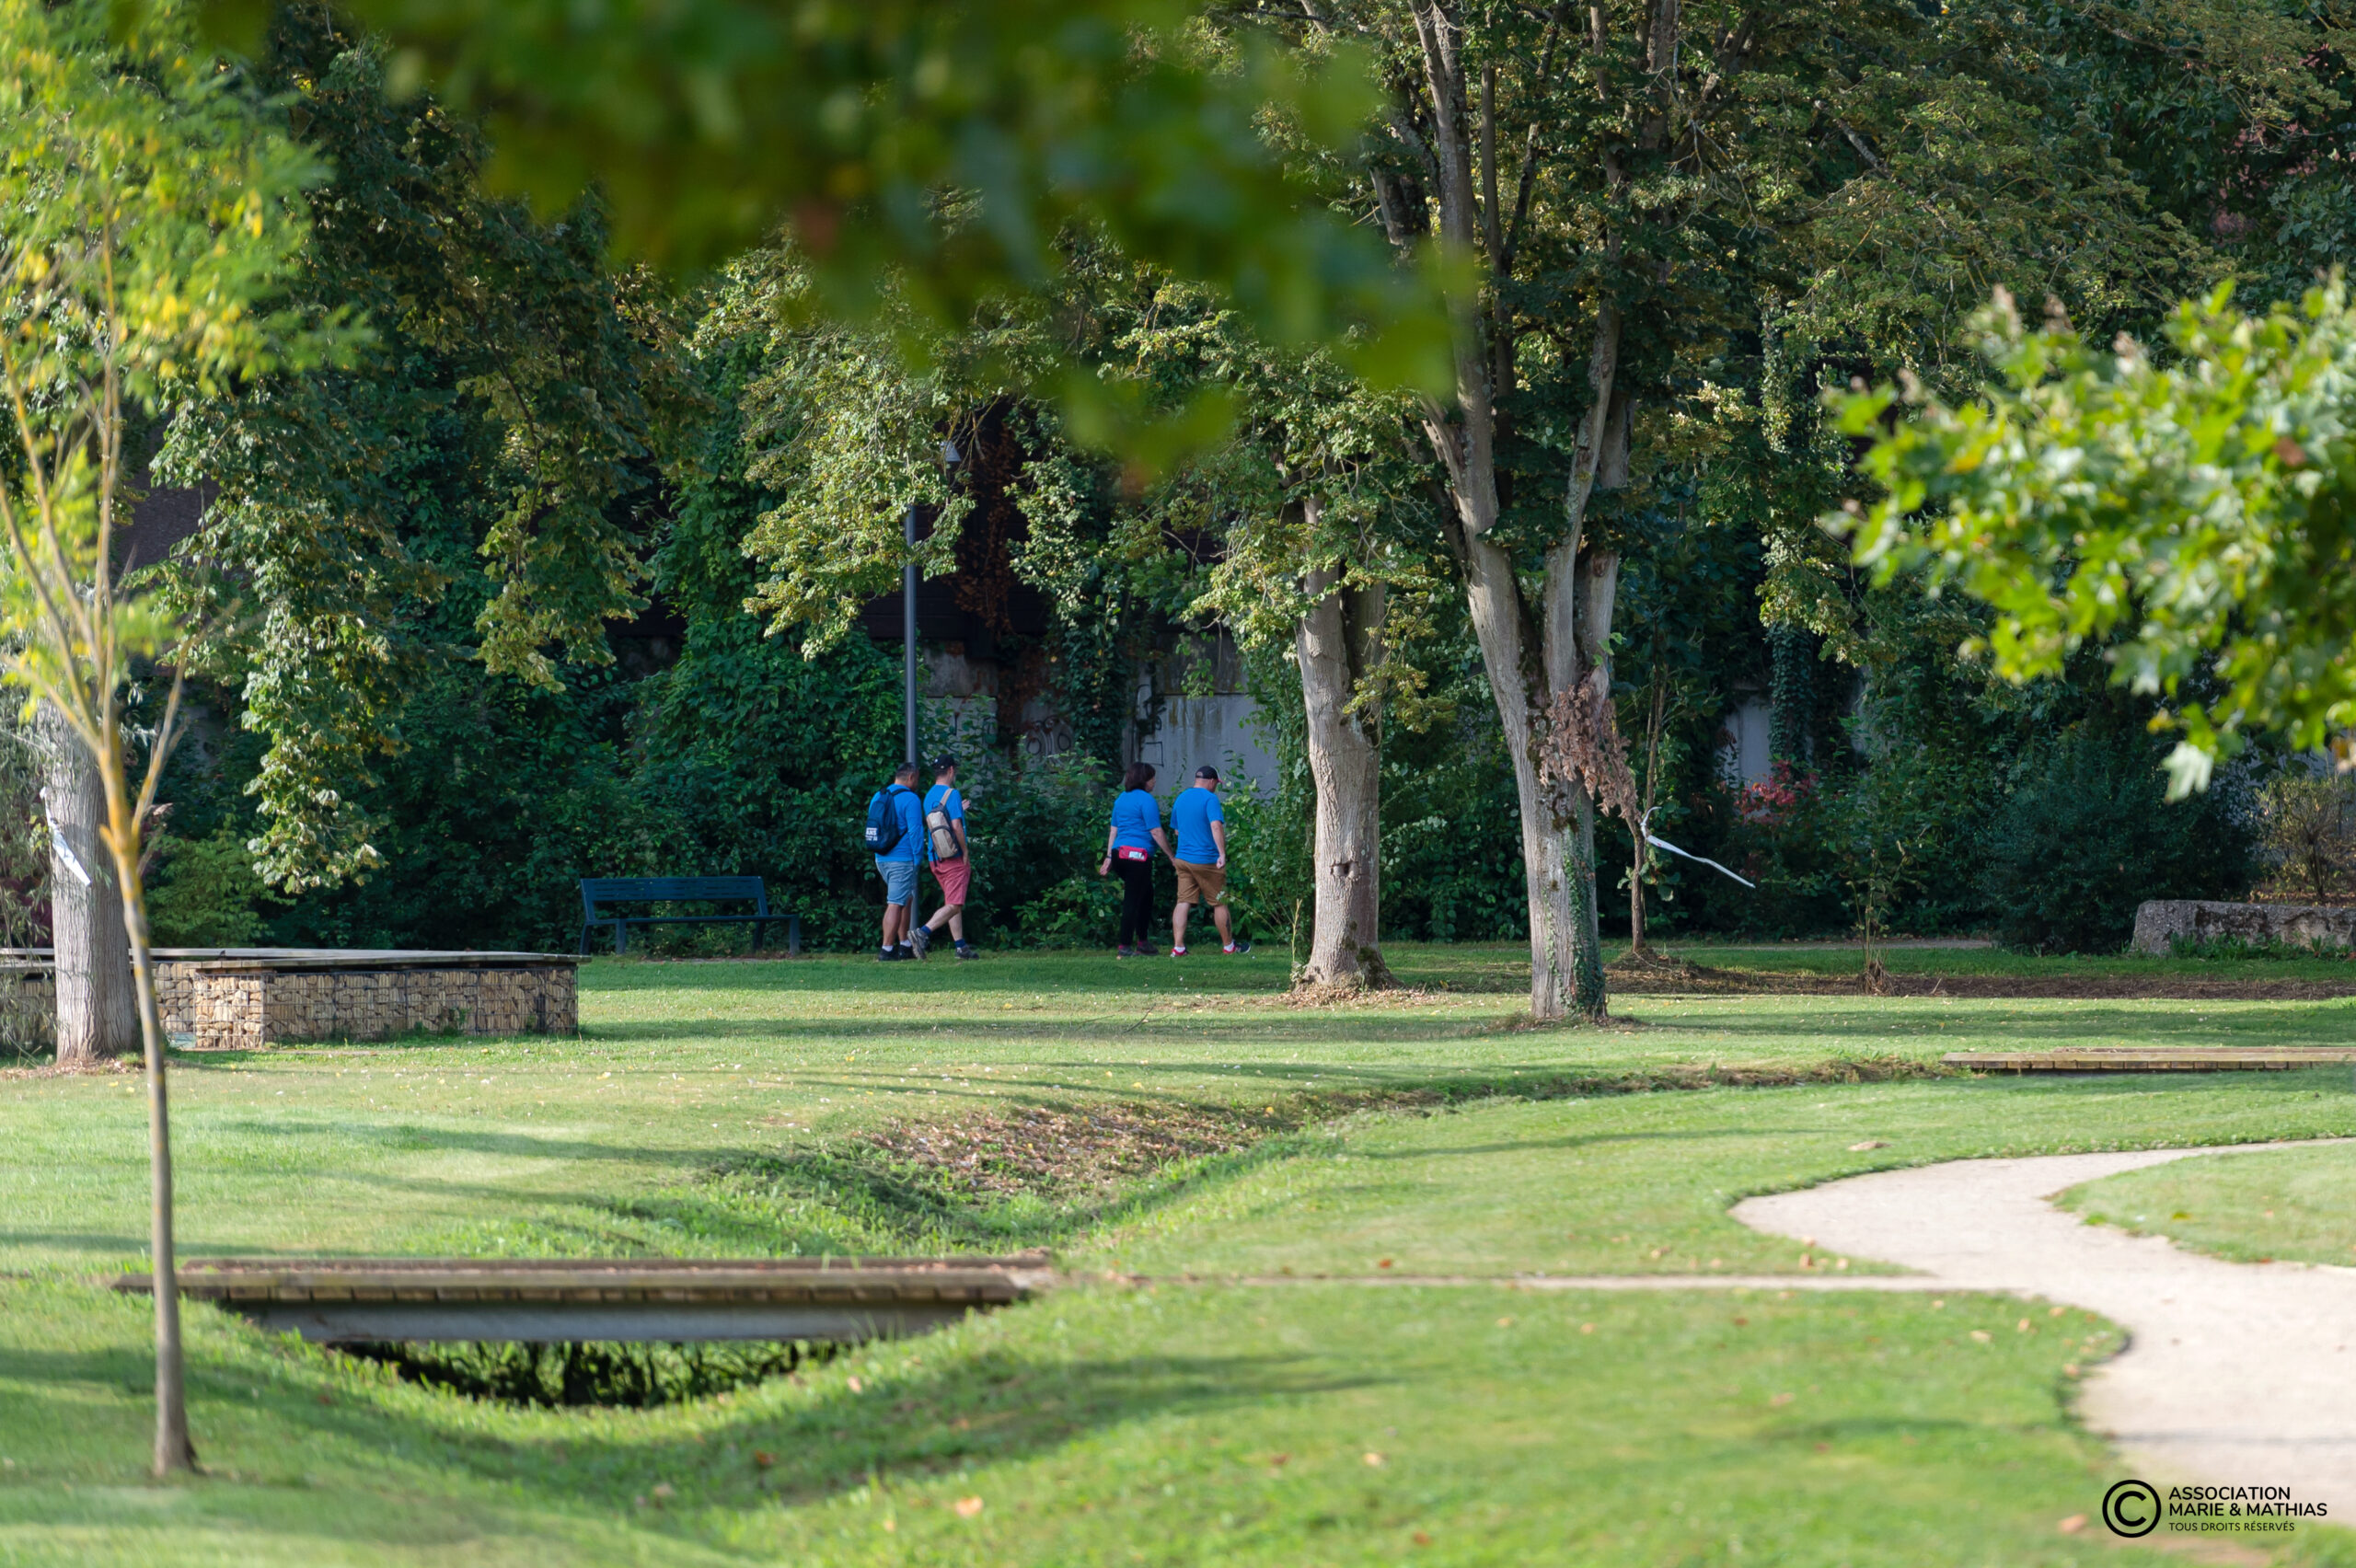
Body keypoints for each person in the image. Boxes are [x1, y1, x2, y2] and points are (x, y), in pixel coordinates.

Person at [1170, 765, 1249, 956]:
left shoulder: (1181, 798)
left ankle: (1178, 948)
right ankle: (1229, 947)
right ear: (1212, 781)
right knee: (1219, 902)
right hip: (1206, 860)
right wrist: (1222, 853)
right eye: (1216, 784)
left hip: (1183, 859)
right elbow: (1216, 826)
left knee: (1183, 901)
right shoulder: (1210, 799)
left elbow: (1177, 830)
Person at [1099, 762, 1172, 957]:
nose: (1154, 781)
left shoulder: (1121, 799)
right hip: (1137, 857)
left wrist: (1109, 856)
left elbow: (1113, 831)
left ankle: (1143, 942)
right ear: (1144, 779)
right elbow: (1156, 831)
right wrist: (1171, 856)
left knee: (1146, 895)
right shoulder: (1147, 800)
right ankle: (1124, 946)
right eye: (1152, 778)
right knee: (1132, 899)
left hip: (1119, 855)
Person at [914, 754, 977, 961]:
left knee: (952, 900)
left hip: (936, 857)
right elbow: (956, 826)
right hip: (953, 857)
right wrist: (965, 852)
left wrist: (960, 809)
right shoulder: (953, 794)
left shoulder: (929, 795)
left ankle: (961, 947)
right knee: (955, 904)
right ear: (951, 770)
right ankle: (922, 933)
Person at [868, 762, 925, 962]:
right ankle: (886, 950)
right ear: (911, 777)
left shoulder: (879, 795)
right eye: (917, 779)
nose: (917, 783)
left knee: (905, 898)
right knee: (895, 903)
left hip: (881, 857)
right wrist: (918, 858)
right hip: (902, 859)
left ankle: (905, 945)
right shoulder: (911, 799)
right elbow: (916, 831)